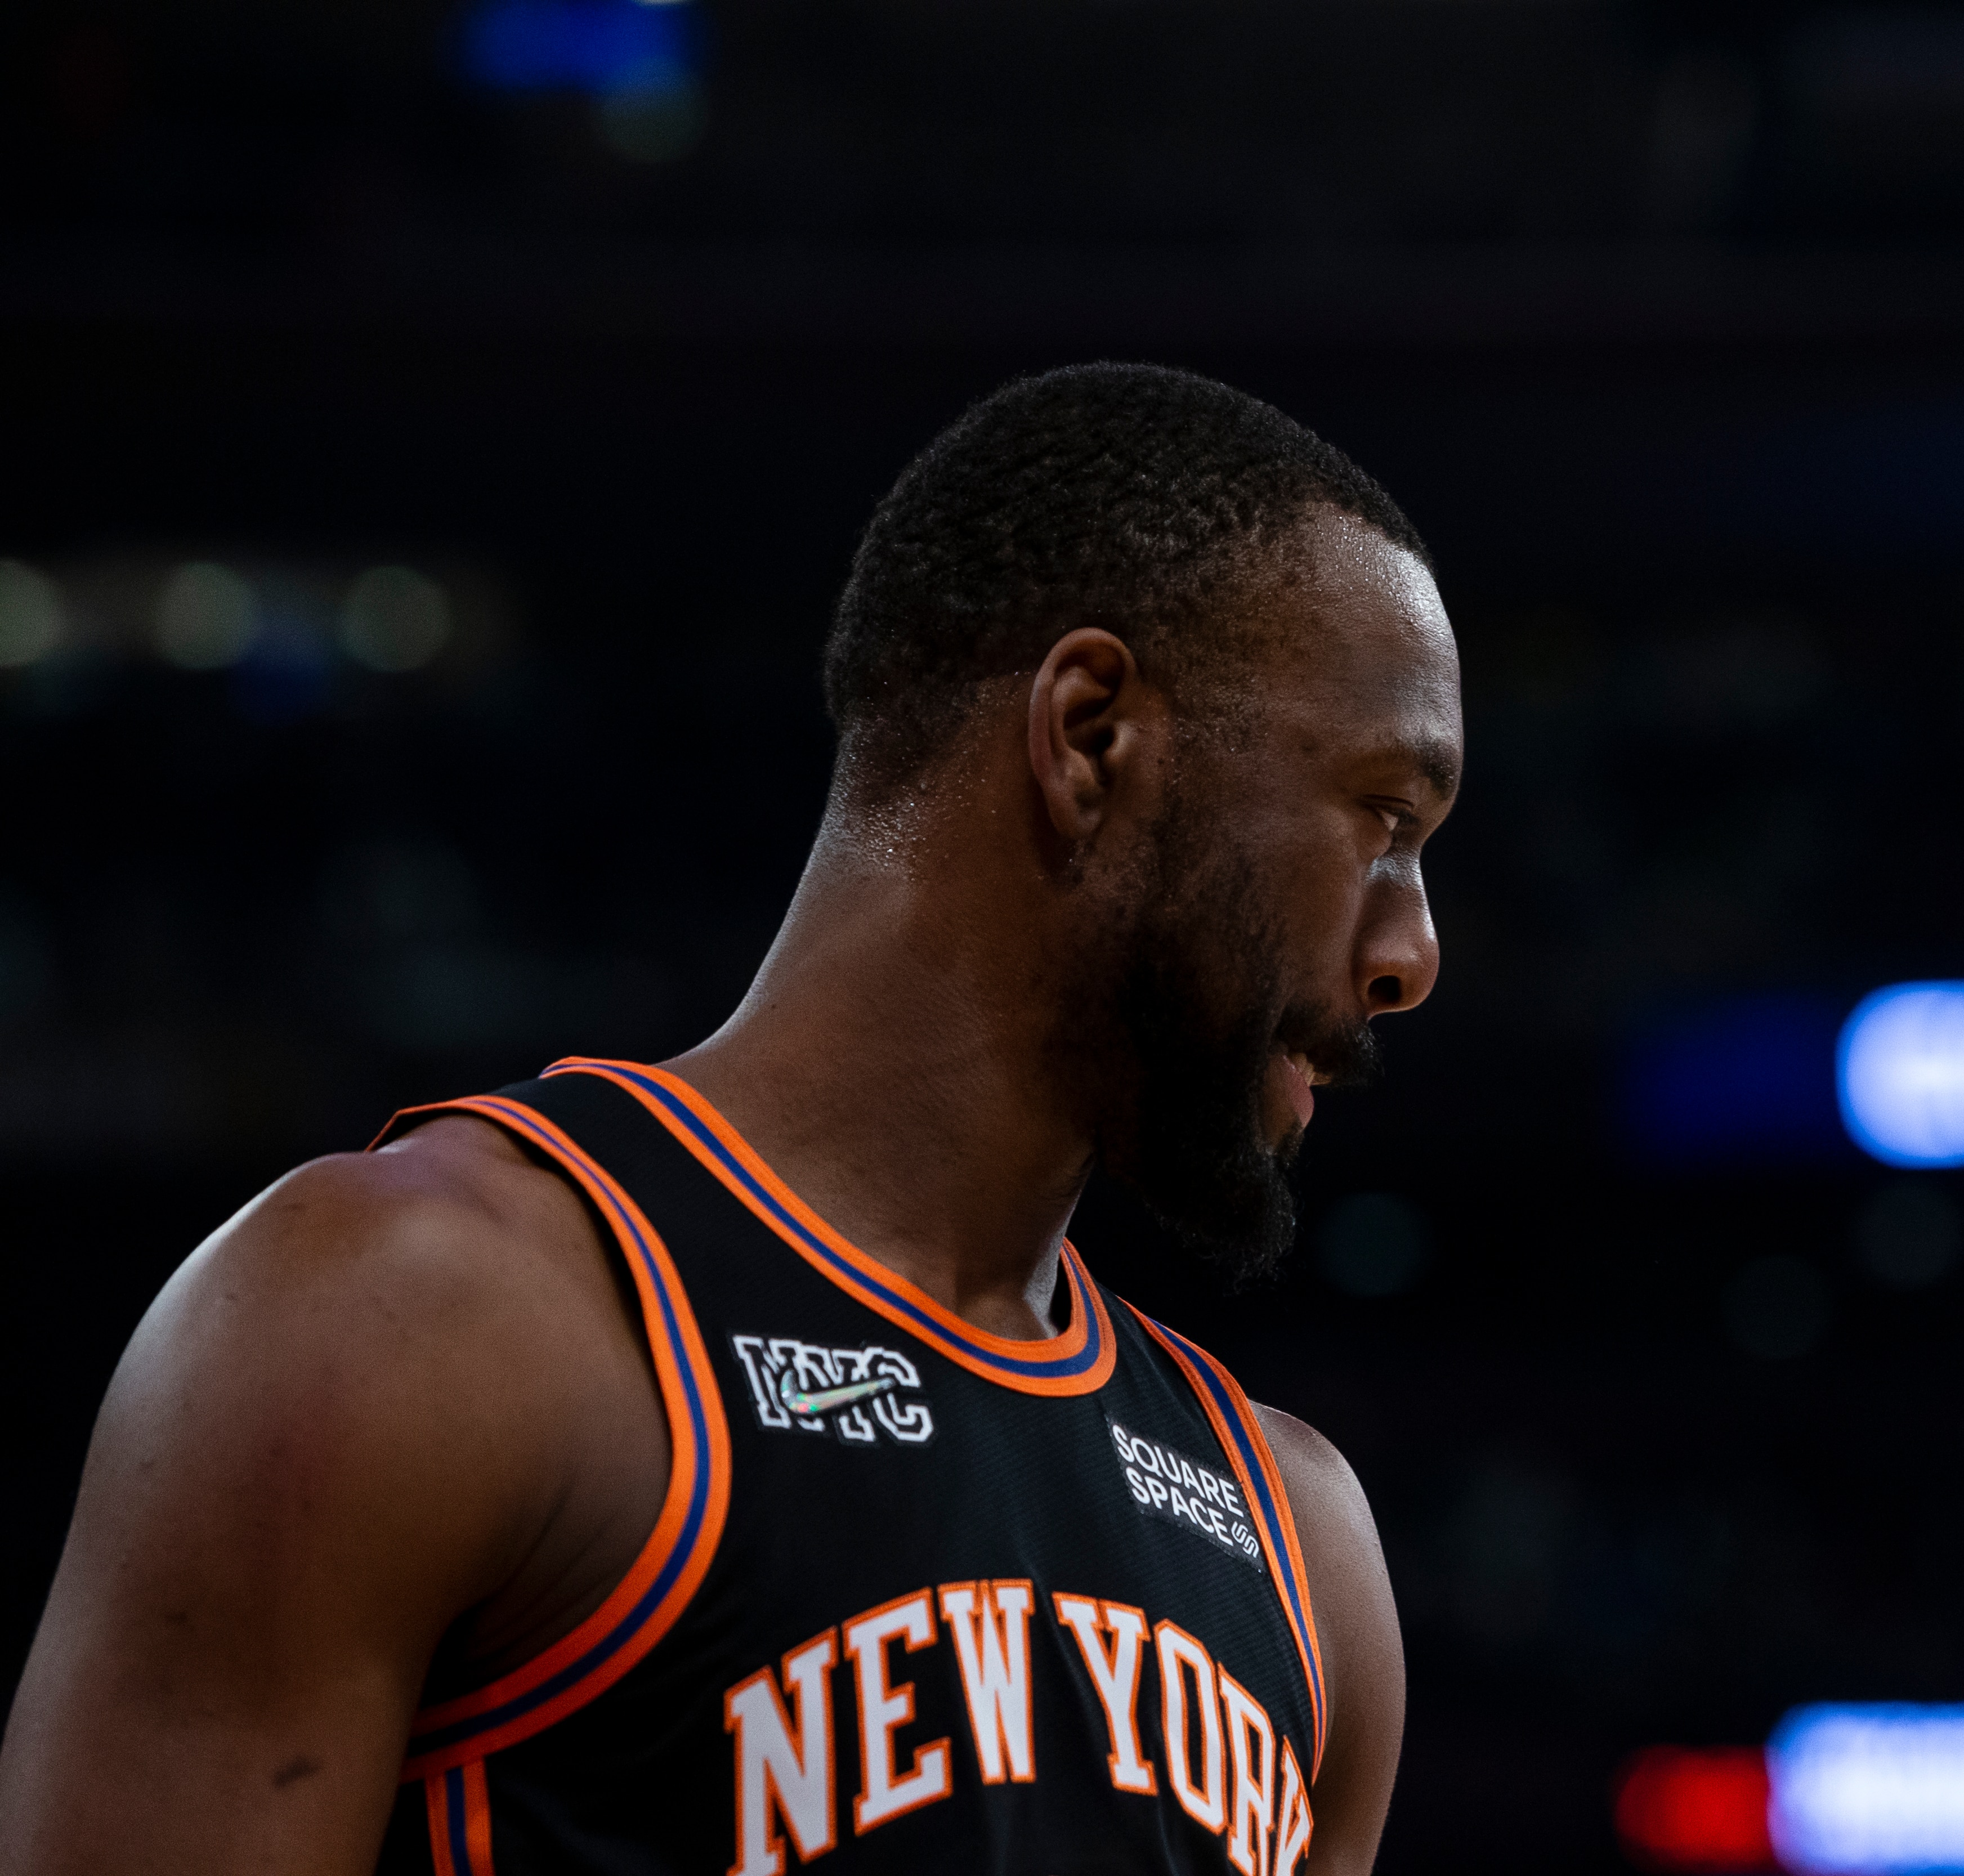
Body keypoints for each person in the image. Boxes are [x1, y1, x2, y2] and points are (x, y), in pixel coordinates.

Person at [0, 362, 1459, 1876]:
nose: (1414, 952)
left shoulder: (1304, 1556)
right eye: (1386, 819)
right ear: (1090, 734)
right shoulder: (406, 1319)